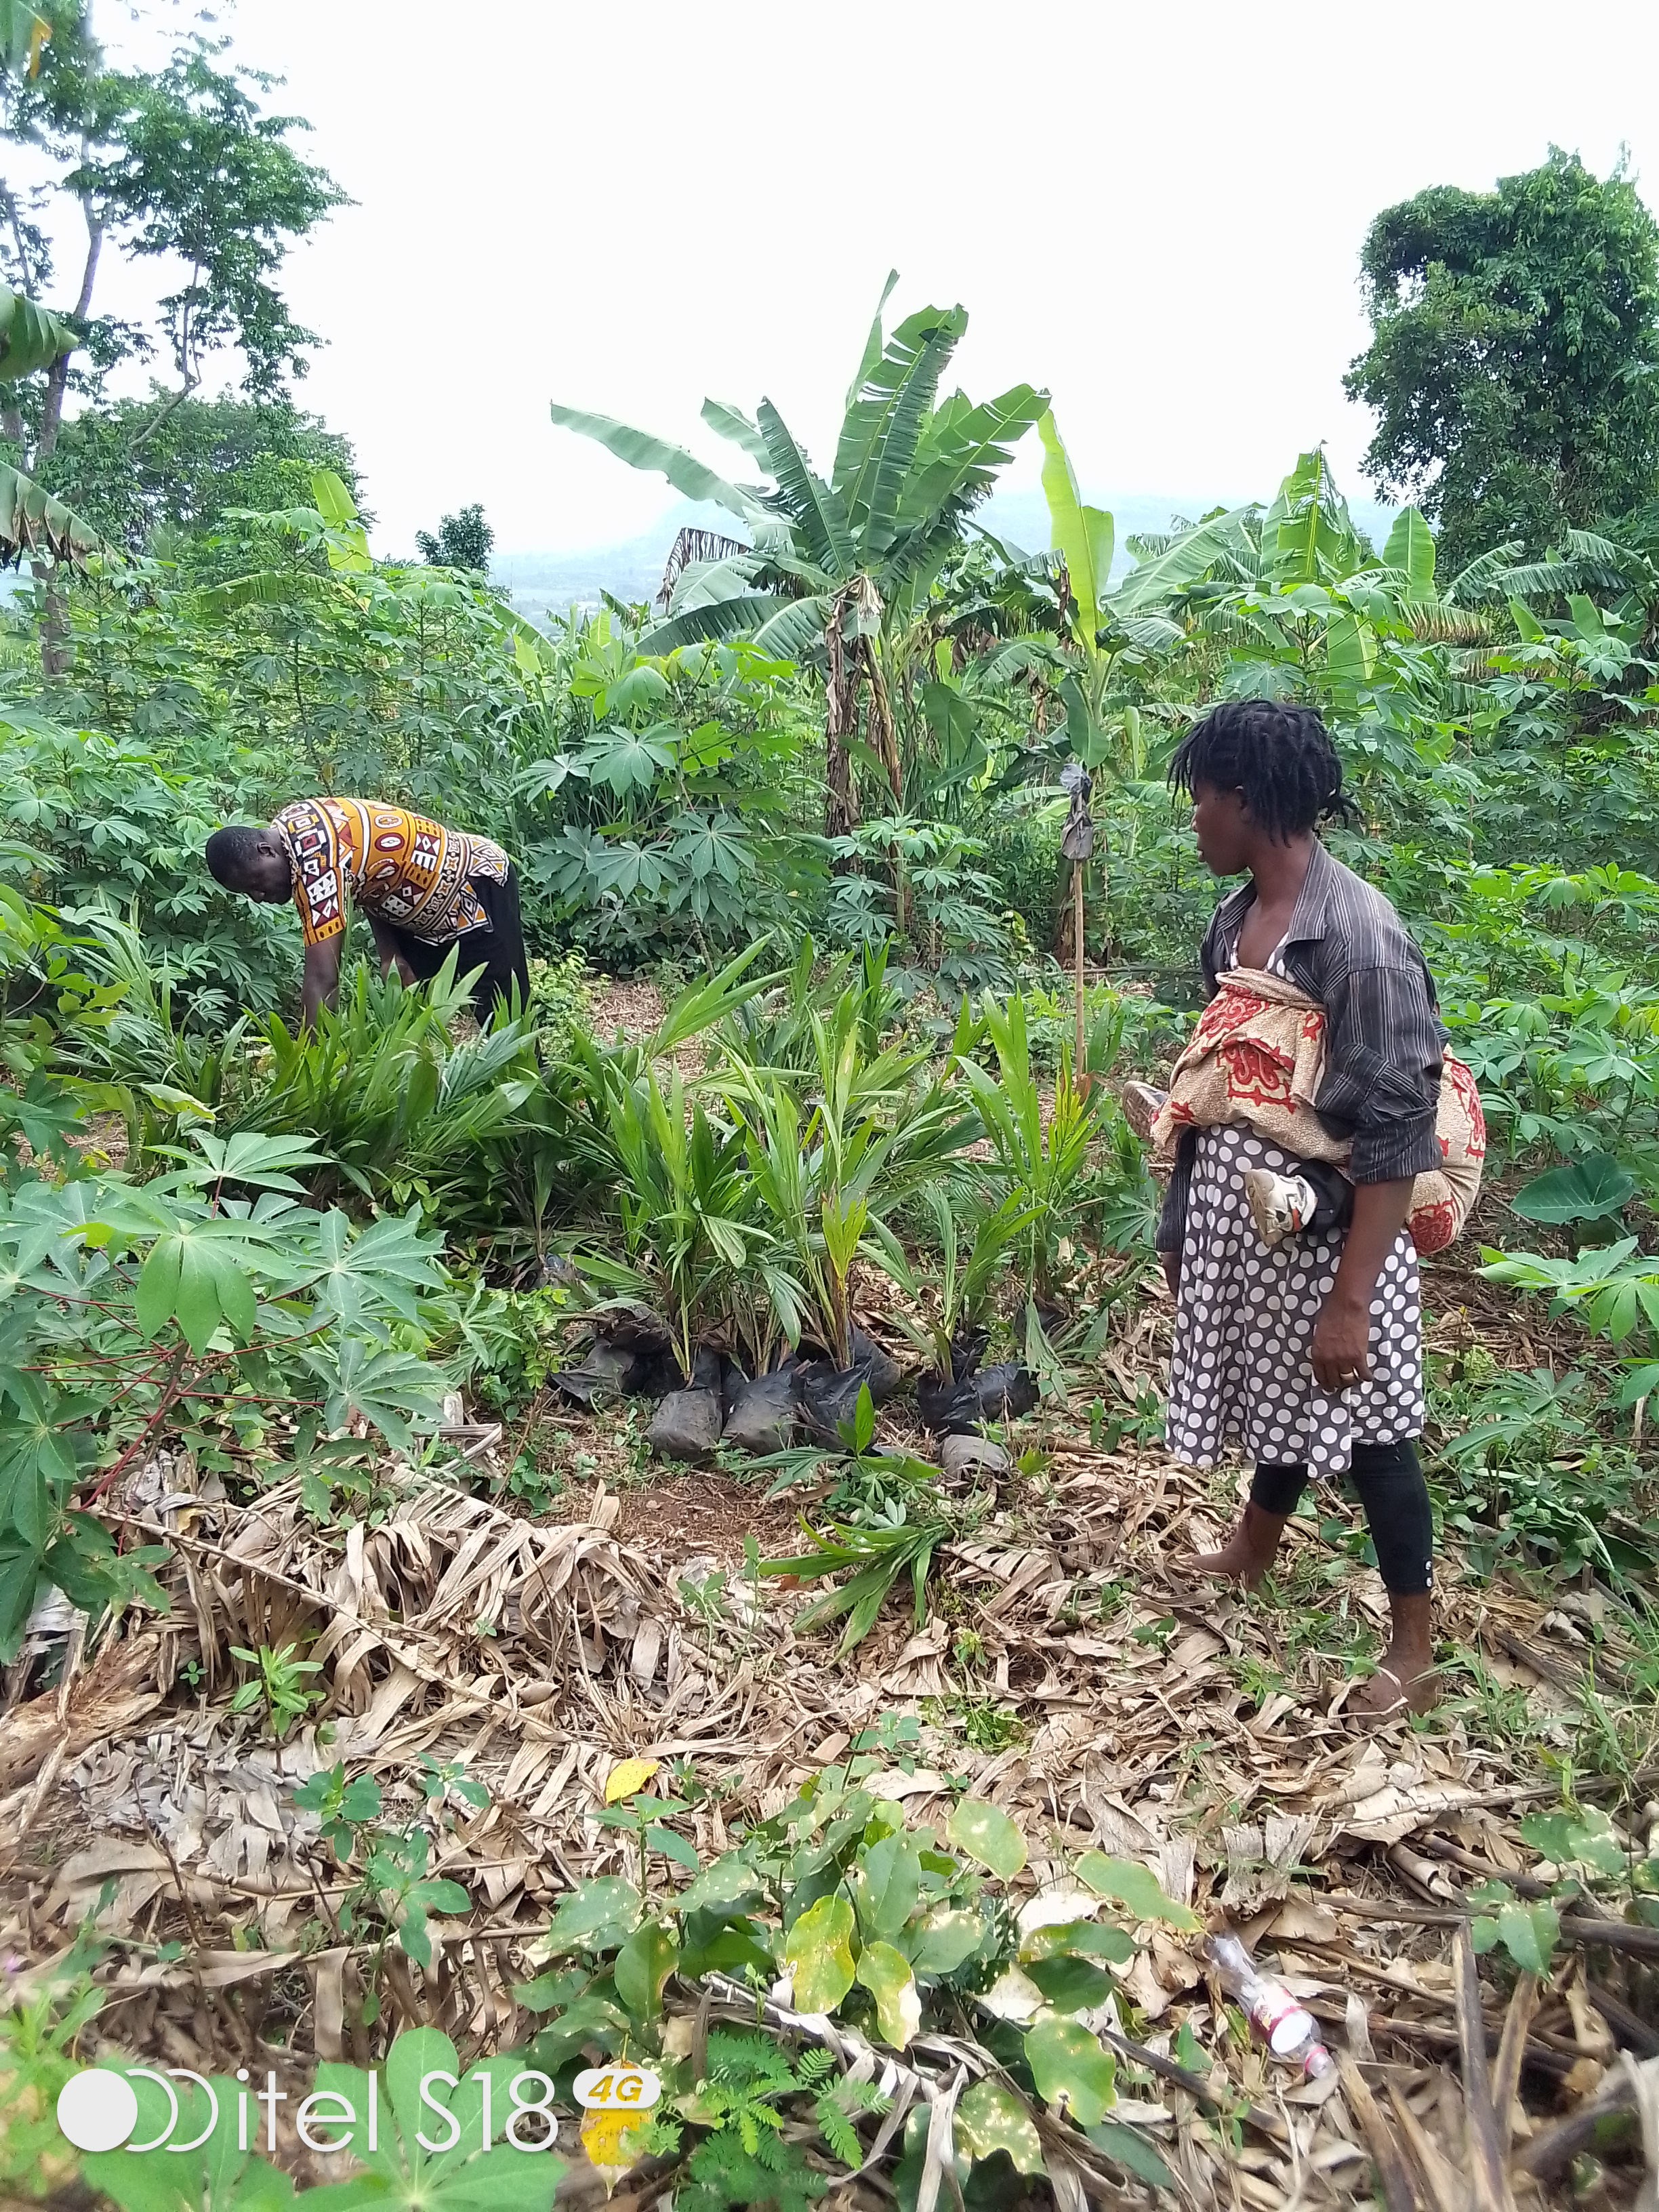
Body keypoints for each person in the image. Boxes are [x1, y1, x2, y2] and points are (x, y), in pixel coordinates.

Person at [1150, 699, 1448, 1719]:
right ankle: (1255, 1544)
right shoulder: (1235, 920)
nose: (1192, 820)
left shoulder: (1358, 940)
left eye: (1202, 800)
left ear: (1248, 801)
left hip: (1341, 1236)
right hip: (1257, 1222)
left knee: (1369, 1431)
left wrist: (1351, 1303)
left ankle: (1413, 1642)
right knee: (1277, 1391)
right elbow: (1220, 1079)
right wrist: (1187, 1218)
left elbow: (1401, 1134)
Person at [205, 797, 529, 1025]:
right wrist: (390, 951)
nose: (259, 896)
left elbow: (323, 980)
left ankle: (538, 1101)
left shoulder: (316, 860)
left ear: (266, 850)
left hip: (474, 886)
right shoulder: (288, 826)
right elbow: (366, 872)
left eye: (257, 882)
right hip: (416, 912)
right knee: (409, 1012)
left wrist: (306, 1073)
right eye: (249, 893)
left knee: (503, 1011)